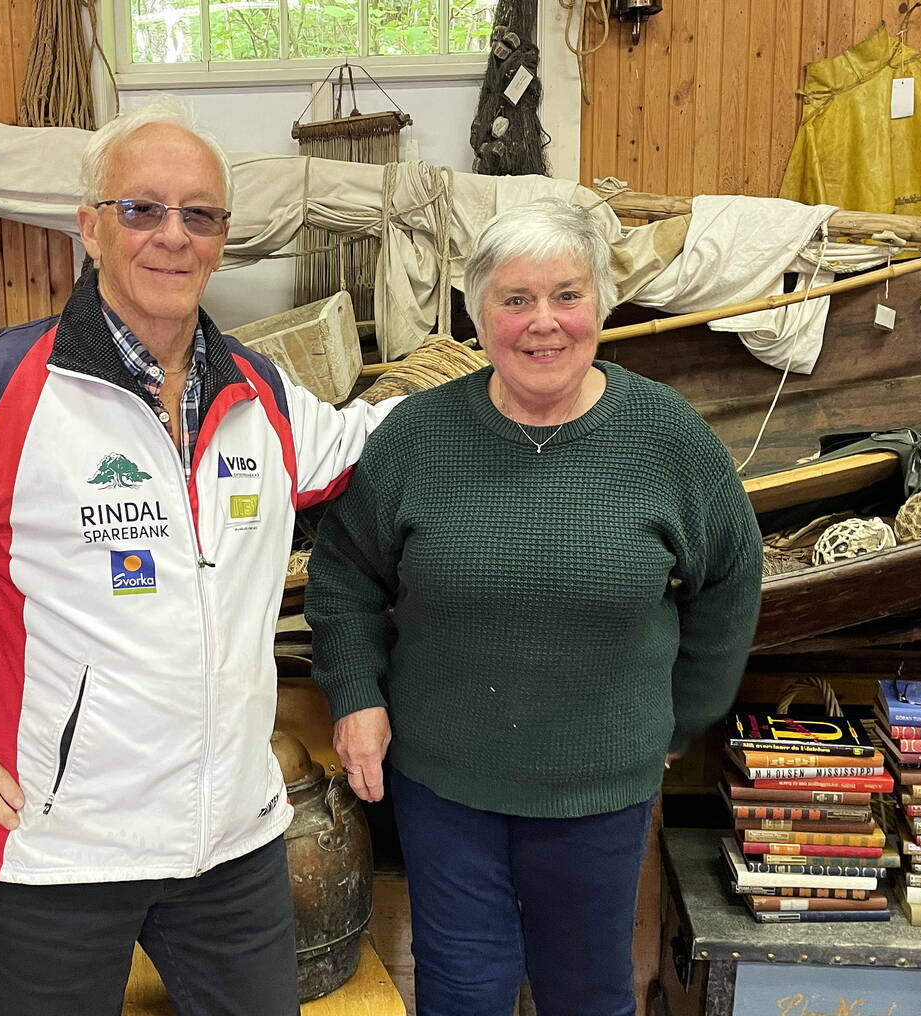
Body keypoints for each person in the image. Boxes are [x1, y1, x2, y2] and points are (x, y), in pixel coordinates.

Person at [0, 97, 396, 1016]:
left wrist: (526, 383)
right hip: (55, 855)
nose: (172, 236)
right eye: (142, 208)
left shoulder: (261, 395)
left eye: (200, 214)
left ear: (223, 238)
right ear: (92, 226)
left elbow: (380, 444)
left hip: (231, 849)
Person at [305, 198, 762, 1016]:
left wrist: (677, 718)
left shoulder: (667, 438)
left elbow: (731, 575)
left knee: (586, 991)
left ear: (600, 305)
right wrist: (358, 694)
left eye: (566, 295)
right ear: (478, 315)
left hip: (599, 790)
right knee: (462, 987)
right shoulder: (415, 436)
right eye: (515, 300)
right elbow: (342, 574)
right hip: (445, 784)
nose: (542, 323)